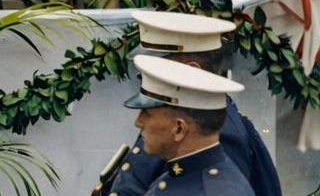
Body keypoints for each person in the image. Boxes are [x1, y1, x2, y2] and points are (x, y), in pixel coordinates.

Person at [113, 11, 278, 196]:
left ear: (191, 70)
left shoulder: (218, 134)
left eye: (155, 66)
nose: (141, 72)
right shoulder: (171, 111)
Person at [122, 54, 256, 196]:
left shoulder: (214, 190)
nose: (138, 122)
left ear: (179, 129)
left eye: (147, 114)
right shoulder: (177, 178)